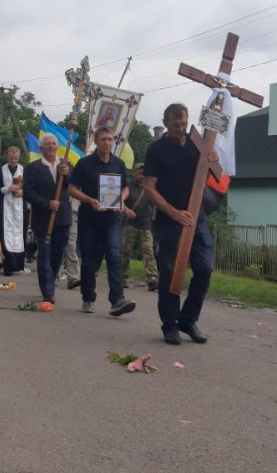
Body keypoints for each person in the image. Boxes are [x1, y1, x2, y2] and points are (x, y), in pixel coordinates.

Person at [143, 104, 217, 345]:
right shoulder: (156, 150)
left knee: (205, 268)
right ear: (165, 123)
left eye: (184, 123)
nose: (181, 129)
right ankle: (170, 324)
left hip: (197, 217)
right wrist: (173, 212)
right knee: (169, 272)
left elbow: (209, 172)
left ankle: (188, 319)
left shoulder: (197, 144)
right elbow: (149, 188)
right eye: (175, 125)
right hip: (168, 220)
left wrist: (212, 158)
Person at [68, 126, 137, 317]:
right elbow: (72, 189)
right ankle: (88, 297)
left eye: (110, 139)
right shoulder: (84, 164)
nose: (107, 143)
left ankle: (117, 300)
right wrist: (90, 200)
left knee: (114, 255)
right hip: (89, 218)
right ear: (96, 142)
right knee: (90, 259)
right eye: (103, 139)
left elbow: (125, 188)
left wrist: (121, 199)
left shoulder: (119, 164)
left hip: (112, 218)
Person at [24, 132, 73, 306]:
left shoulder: (66, 165)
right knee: (44, 254)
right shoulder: (33, 167)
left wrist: (67, 175)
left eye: (54, 144)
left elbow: (73, 188)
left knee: (57, 254)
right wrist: (46, 203)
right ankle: (48, 291)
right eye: (48, 144)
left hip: (62, 217)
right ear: (41, 147)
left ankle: (51, 279)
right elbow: (28, 192)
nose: (52, 147)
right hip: (43, 218)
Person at [122, 162, 159, 291]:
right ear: (134, 172)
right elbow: (119, 202)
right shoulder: (127, 187)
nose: (142, 175)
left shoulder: (149, 188)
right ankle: (123, 277)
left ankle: (152, 279)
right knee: (125, 252)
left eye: (144, 172)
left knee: (148, 252)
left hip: (145, 225)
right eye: (139, 172)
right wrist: (126, 210)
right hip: (129, 224)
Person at [0, 146, 27, 276]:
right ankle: (7, 266)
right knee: (5, 235)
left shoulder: (23, 170)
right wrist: (8, 188)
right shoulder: (1, 171)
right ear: (7, 157)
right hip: (5, 208)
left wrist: (23, 192)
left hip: (19, 208)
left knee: (19, 235)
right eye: (11, 158)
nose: (13, 160)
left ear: (18, 157)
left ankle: (17, 265)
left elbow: (29, 188)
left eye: (15, 158)